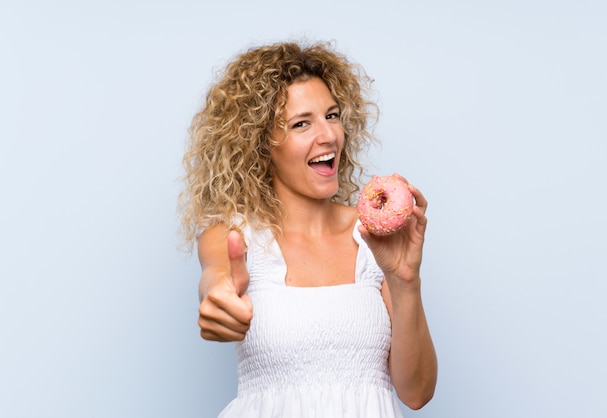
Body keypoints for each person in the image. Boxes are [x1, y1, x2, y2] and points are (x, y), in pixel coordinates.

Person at [179, 40, 437, 417]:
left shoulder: (374, 239)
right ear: (261, 144)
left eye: (332, 116)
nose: (329, 135)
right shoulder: (234, 235)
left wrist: (405, 280)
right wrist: (218, 298)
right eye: (302, 123)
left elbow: (416, 394)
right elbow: (218, 278)